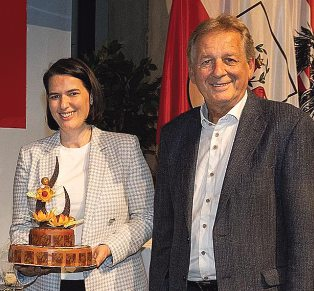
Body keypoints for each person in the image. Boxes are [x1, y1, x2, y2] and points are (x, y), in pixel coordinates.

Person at [149, 14, 314, 291]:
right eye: (206, 61)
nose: (218, 71)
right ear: (191, 71)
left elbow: (305, 235)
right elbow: (165, 232)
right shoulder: (174, 135)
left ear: (250, 65)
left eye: (230, 59)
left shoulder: (288, 126)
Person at [10, 57, 154, 291]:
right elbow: (20, 226)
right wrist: (27, 263)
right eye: (55, 96)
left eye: (73, 93)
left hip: (111, 280)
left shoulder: (124, 147)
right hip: (48, 284)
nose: (63, 104)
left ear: (92, 97)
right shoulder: (31, 155)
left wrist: (110, 247)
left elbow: (147, 215)